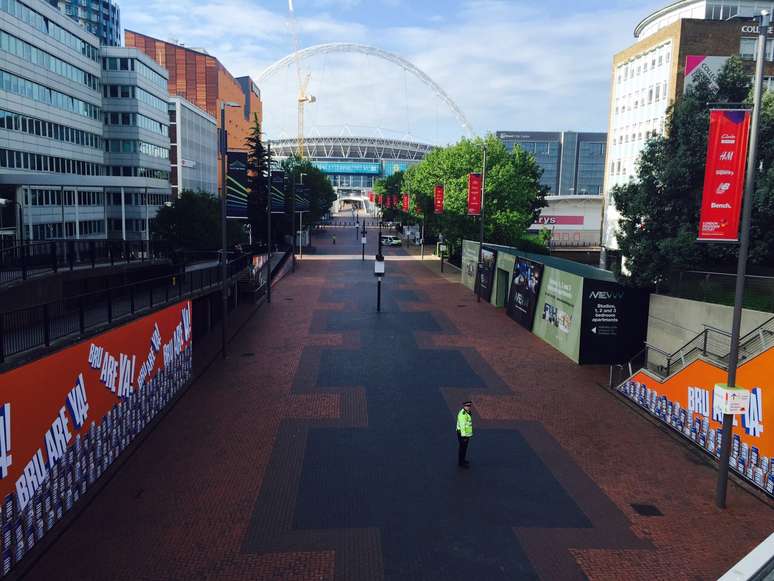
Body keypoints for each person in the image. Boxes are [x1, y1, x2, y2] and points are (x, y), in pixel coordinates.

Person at [456, 400, 473, 468]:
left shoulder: (467, 412)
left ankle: (463, 460)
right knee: (462, 448)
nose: (468, 407)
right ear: (464, 406)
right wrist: (464, 437)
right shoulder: (462, 414)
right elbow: (462, 426)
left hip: (466, 434)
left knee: (464, 448)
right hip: (463, 434)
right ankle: (461, 463)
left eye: (469, 406)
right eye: (467, 406)